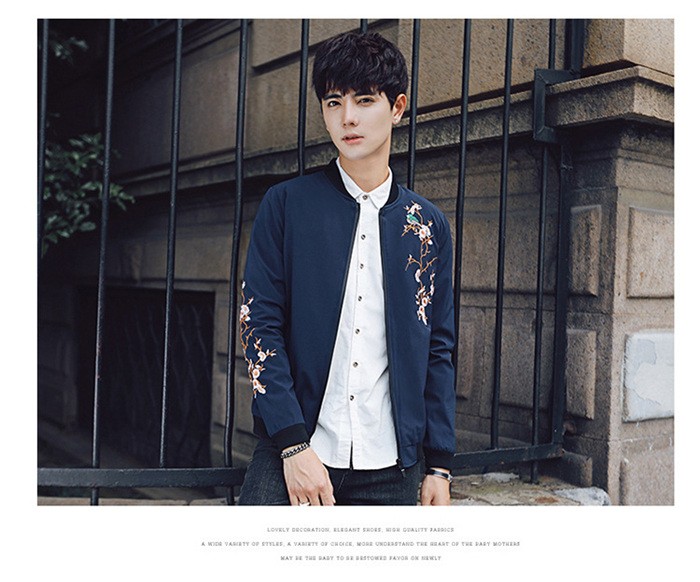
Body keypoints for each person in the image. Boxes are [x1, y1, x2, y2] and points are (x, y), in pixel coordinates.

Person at [237, 30, 456, 506]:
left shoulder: (426, 225)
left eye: (365, 100)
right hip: (295, 452)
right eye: (334, 102)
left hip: (393, 467)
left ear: (397, 107)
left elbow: (437, 347)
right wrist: (293, 445)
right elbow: (258, 324)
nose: (348, 117)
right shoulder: (286, 205)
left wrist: (439, 464)